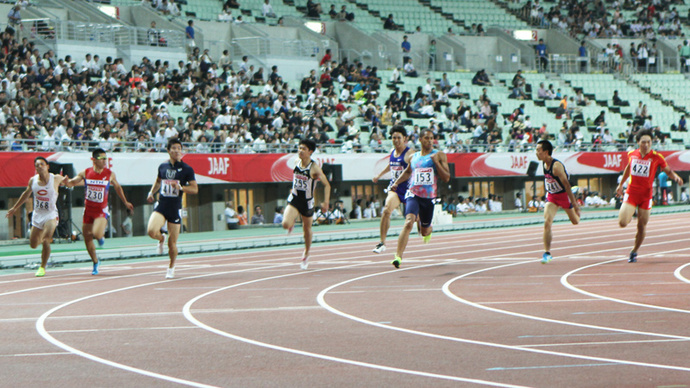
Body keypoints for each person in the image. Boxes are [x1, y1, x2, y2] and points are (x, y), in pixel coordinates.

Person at [616, 129, 683, 263]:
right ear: (638, 143)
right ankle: (630, 212)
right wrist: (621, 184)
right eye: (643, 142)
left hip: (646, 197)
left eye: (648, 142)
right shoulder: (632, 154)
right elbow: (628, 169)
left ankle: (634, 251)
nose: (646, 145)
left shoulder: (657, 157)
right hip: (631, 193)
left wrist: (676, 177)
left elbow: (668, 170)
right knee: (623, 222)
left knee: (641, 226)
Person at [65, 148, 134, 275]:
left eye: (105, 158)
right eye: (102, 159)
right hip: (88, 211)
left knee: (96, 233)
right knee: (87, 238)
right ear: (94, 160)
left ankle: (100, 236)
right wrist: (66, 182)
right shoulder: (86, 172)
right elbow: (72, 183)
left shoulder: (109, 174)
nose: (105, 161)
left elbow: (118, 188)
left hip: (101, 211)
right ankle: (96, 262)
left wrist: (125, 202)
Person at [388, 129, 450, 268]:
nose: (430, 141)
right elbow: (408, 172)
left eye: (432, 138)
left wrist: (437, 163)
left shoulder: (439, 155)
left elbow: (446, 178)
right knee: (409, 222)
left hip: (428, 197)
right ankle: (398, 256)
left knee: (424, 231)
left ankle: (428, 228)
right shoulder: (414, 157)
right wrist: (396, 183)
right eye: (427, 138)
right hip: (413, 194)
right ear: (420, 140)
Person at [146, 138, 198, 279]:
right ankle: (160, 238)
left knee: (172, 243)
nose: (177, 151)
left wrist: (181, 187)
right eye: (174, 148)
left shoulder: (187, 169)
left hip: (175, 208)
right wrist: (151, 192)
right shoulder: (163, 167)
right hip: (162, 205)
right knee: (151, 231)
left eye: (179, 148)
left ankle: (171, 267)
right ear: (168, 151)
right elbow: (158, 181)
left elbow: (195, 189)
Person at [6, 157, 67, 277]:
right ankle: (42, 239)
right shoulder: (32, 180)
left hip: (51, 214)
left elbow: (69, 183)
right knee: (33, 244)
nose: (39, 167)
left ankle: (42, 267)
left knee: (46, 240)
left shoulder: (55, 178)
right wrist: (15, 208)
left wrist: (70, 181)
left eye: (42, 164)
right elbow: (26, 194)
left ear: (47, 166)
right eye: (37, 165)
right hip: (37, 215)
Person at [281, 138, 331, 270]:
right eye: (299, 148)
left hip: (307, 202)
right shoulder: (296, 162)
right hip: (295, 198)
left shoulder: (314, 168)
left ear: (310, 152)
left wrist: (325, 202)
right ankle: (291, 223)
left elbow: (327, 185)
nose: (300, 151)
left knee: (306, 230)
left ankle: (306, 253)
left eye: (303, 149)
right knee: (285, 224)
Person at [535, 140, 580, 264]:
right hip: (552, 197)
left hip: (564, 195)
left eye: (538, 150)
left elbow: (566, 185)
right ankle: (547, 253)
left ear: (546, 152)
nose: (536, 153)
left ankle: (575, 197)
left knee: (575, 221)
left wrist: (575, 205)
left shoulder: (556, 166)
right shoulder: (544, 164)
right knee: (547, 222)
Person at [371, 126, 412, 254]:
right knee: (386, 210)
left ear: (405, 139)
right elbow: (392, 164)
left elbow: (410, 171)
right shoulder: (393, 152)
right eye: (394, 138)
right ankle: (382, 243)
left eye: (398, 138)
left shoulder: (410, 153)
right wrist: (379, 175)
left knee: (420, 226)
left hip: (410, 190)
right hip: (395, 189)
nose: (396, 140)